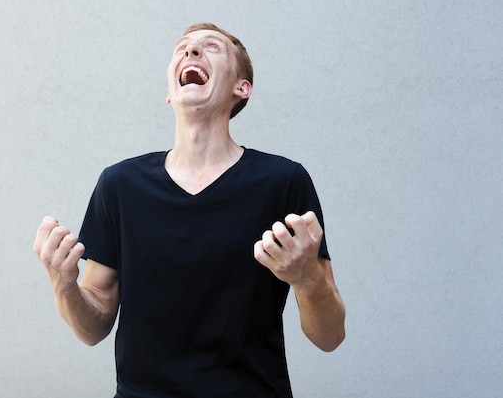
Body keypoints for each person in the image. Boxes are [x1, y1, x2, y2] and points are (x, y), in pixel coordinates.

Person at [34, 22, 345, 398]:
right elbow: (92, 328)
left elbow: (330, 337)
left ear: (240, 88)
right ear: (170, 92)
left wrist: (306, 277)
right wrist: (63, 285)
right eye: (182, 47)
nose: (191, 52)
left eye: (210, 47)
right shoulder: (119, 185)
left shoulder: (283, 182)